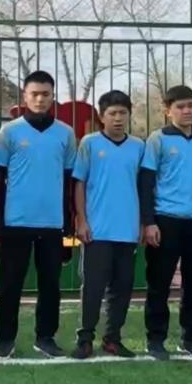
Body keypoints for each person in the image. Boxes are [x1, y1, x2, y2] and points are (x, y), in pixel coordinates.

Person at [0, 70, 76, 360]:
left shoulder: (65, 133)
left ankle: (46, 337)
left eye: (45, 94)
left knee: (50, 284)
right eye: (34, 94)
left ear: (53, 97)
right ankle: (5, 340)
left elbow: (69, 181)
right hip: (16, 222)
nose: (40, 99)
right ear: (25, 96)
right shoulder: (9, 132)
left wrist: (69, 220)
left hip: (52, 223)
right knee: (10, 284)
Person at [139, 85, 192, 361]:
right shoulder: (157, 139)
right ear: (168, 110)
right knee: (159, 284)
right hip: (166, 222)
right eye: (180, 106)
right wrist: (149, 222)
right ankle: (155, 339)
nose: (187, 111)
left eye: (190, 105)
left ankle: (191, 339)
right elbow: (146, 183)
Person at [71, 89, 142, 360]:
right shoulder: (89, 144)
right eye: (112, 113)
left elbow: (143, 186)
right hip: (97, 230)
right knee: (93, 286)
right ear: (102, 117)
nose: (118, 118)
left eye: (123, 113)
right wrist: (82, 220)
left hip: (127, 230)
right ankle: (85, 338)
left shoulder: (138, 146)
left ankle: (112, 339)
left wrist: (141, 223)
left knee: (122, 288)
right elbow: (80, 183)